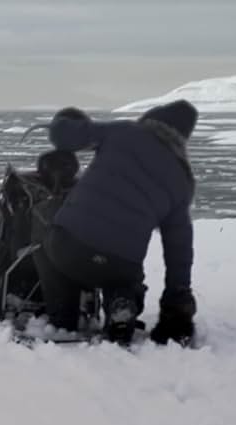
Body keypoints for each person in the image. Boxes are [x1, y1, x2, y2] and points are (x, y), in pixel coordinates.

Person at [32, 100, 199, 346]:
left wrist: (60, 124)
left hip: (71, 245)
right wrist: (178, 295)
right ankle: (121, 305)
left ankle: (64, 319)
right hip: (122, 263)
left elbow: (66, 136)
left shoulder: (125, 132)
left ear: (152, 119)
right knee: (122, 280)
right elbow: (179, 251)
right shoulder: (182, 182)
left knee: (48, 247)